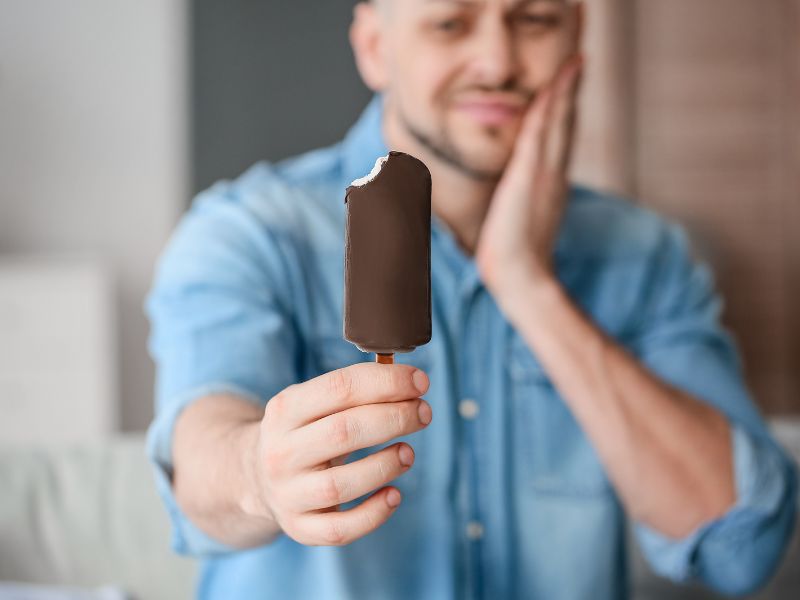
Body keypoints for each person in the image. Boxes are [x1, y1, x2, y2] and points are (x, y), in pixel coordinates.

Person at [145, 1, 798, 598]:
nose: (498, 63)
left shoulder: (646, 257)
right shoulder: (250, 234)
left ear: (578, 38)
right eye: (451, 24)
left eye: (535, 18)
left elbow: (742, 548)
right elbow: (201, 459)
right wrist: (259, 474)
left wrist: (528, 284)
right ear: (375, 47)